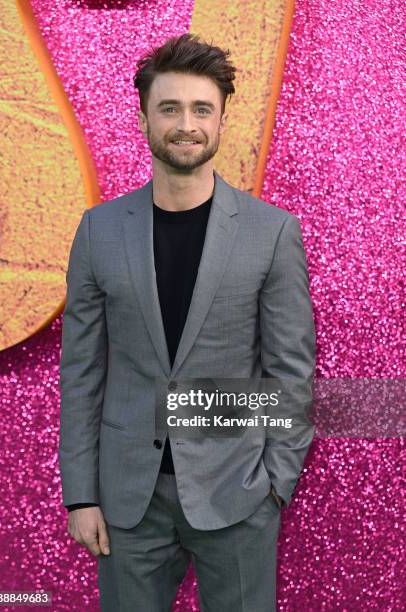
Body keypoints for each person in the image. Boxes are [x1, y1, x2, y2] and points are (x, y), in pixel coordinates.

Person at [59, 33, 316, 612]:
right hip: (127, 501)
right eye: (169, 107)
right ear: (145, 118)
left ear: (222, 120)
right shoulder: (100, 230)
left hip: (238, 493)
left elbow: (291, 371)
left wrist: (274, 485)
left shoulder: (271, 232)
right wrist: (81, 496)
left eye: (202, 109)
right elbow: (81, 370)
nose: (185, 123)